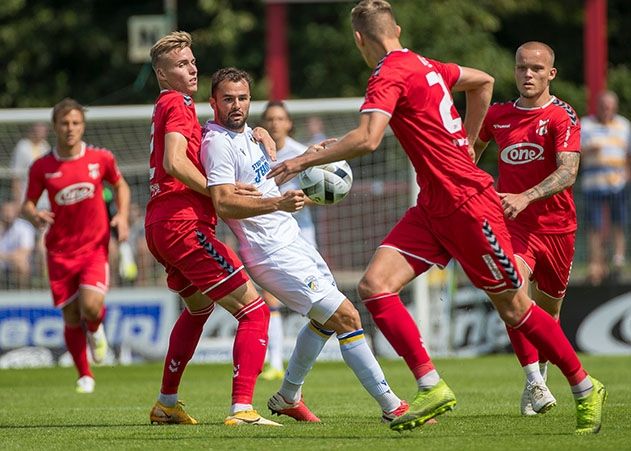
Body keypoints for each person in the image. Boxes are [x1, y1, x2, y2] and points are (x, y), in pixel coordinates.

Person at [268, 0, 606, 435]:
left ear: (359, 39)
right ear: (399, 29)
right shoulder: (424, 64)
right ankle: (431, 385)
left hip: (468, 205)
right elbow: (482, 82)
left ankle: (583, 385)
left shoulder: (387, 72)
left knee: (516, 306)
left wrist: (302, 162)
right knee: (375, 286)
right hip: (433, 206)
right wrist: (467, 140)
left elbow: (369, 139)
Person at [201, 67, 409, 425]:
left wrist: (305, 157)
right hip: (270, 252)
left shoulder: (249, 135)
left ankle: (287, 396)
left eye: (243, 98)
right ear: (213, 102)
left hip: (293, 240)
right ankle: (392, 406)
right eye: (228, 99)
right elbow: (223, 203)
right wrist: (277, 204)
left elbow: (261, 179)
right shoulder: (217, 143)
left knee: (325, 322)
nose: (236, 105)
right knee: (347, 316)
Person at [145, 31, 280, 427]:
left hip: (159, 224)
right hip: (183, 224)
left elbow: (208, 139)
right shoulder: (176, 101)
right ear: (162, 73)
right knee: (255, 310)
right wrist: (216, 190)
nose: (192, 68)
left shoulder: (173, 107)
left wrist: (256, 131)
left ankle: (167, 402)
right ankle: (242, 409)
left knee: (198, 307)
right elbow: (174, 160)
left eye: (192, 61)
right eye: (181, 64)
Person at [475, 41, 581, 416]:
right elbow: (472, 149)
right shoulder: (499, 115)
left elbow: (568, 171)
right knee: (512, 292)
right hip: (513, 227)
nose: (528, 75)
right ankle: (534, 380)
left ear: (551, 74)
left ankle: (538, 380)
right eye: (522, 68)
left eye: (536, 69)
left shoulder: (561, 116)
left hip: (557, 229)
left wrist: (526, 195)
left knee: (548, 315)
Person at [22, 98, 130, 393]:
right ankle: (85, 374)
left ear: (83, 126)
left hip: (94, 246)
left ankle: (96, 330)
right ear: (55, 126)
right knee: (70, 315)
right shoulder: (42, 166)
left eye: (75, 123)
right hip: (59, 251)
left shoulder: (100, 159)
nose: (70, 129)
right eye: (64, 123)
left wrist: (121, 215)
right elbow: (27, 204)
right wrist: (35, 215)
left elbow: (120, 184)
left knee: (91, 307)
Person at [258, 101, 319, 381]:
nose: (275, 124)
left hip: (300, 235)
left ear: (289, 123)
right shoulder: (256, 153)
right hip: (269, 236)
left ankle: (308, 356)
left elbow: (320, 193)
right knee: (270, 296)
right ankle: (275, 362)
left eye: (280, 118)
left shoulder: (300, 154)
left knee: (316, 299)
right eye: (270, 119)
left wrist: (295, 200)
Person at [580, 90, 631, 285]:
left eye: (609, 106)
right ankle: (596, 265)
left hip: (618, 185)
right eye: (603, 106)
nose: (606, 110)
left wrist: (626, 176)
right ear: (598, 107)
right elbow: (574, 154)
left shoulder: (624, 125)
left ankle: (618, 261)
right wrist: (588, 150)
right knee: (595, 227)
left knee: (619, 224)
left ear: (615, 107)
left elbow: (628, 155)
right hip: (594, 185)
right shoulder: (586, 125)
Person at [11, 122, 50, 205]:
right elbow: (16, 176)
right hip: (25, 197)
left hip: (44, 200)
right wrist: (17, 202)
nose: (41, 131)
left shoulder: (45, 146)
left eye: (43, 129)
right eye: (39, 128)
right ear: (32, 129)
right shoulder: (22, 147)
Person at [0, 200, 36, 289]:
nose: (8, 214)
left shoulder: (25, 227)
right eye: (5, 211)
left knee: (21, 263)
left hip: (15, 262)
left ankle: (22, 295)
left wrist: (4, 256)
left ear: (16, 212)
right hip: (3, 261)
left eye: (10, 211)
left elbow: (24, 253)